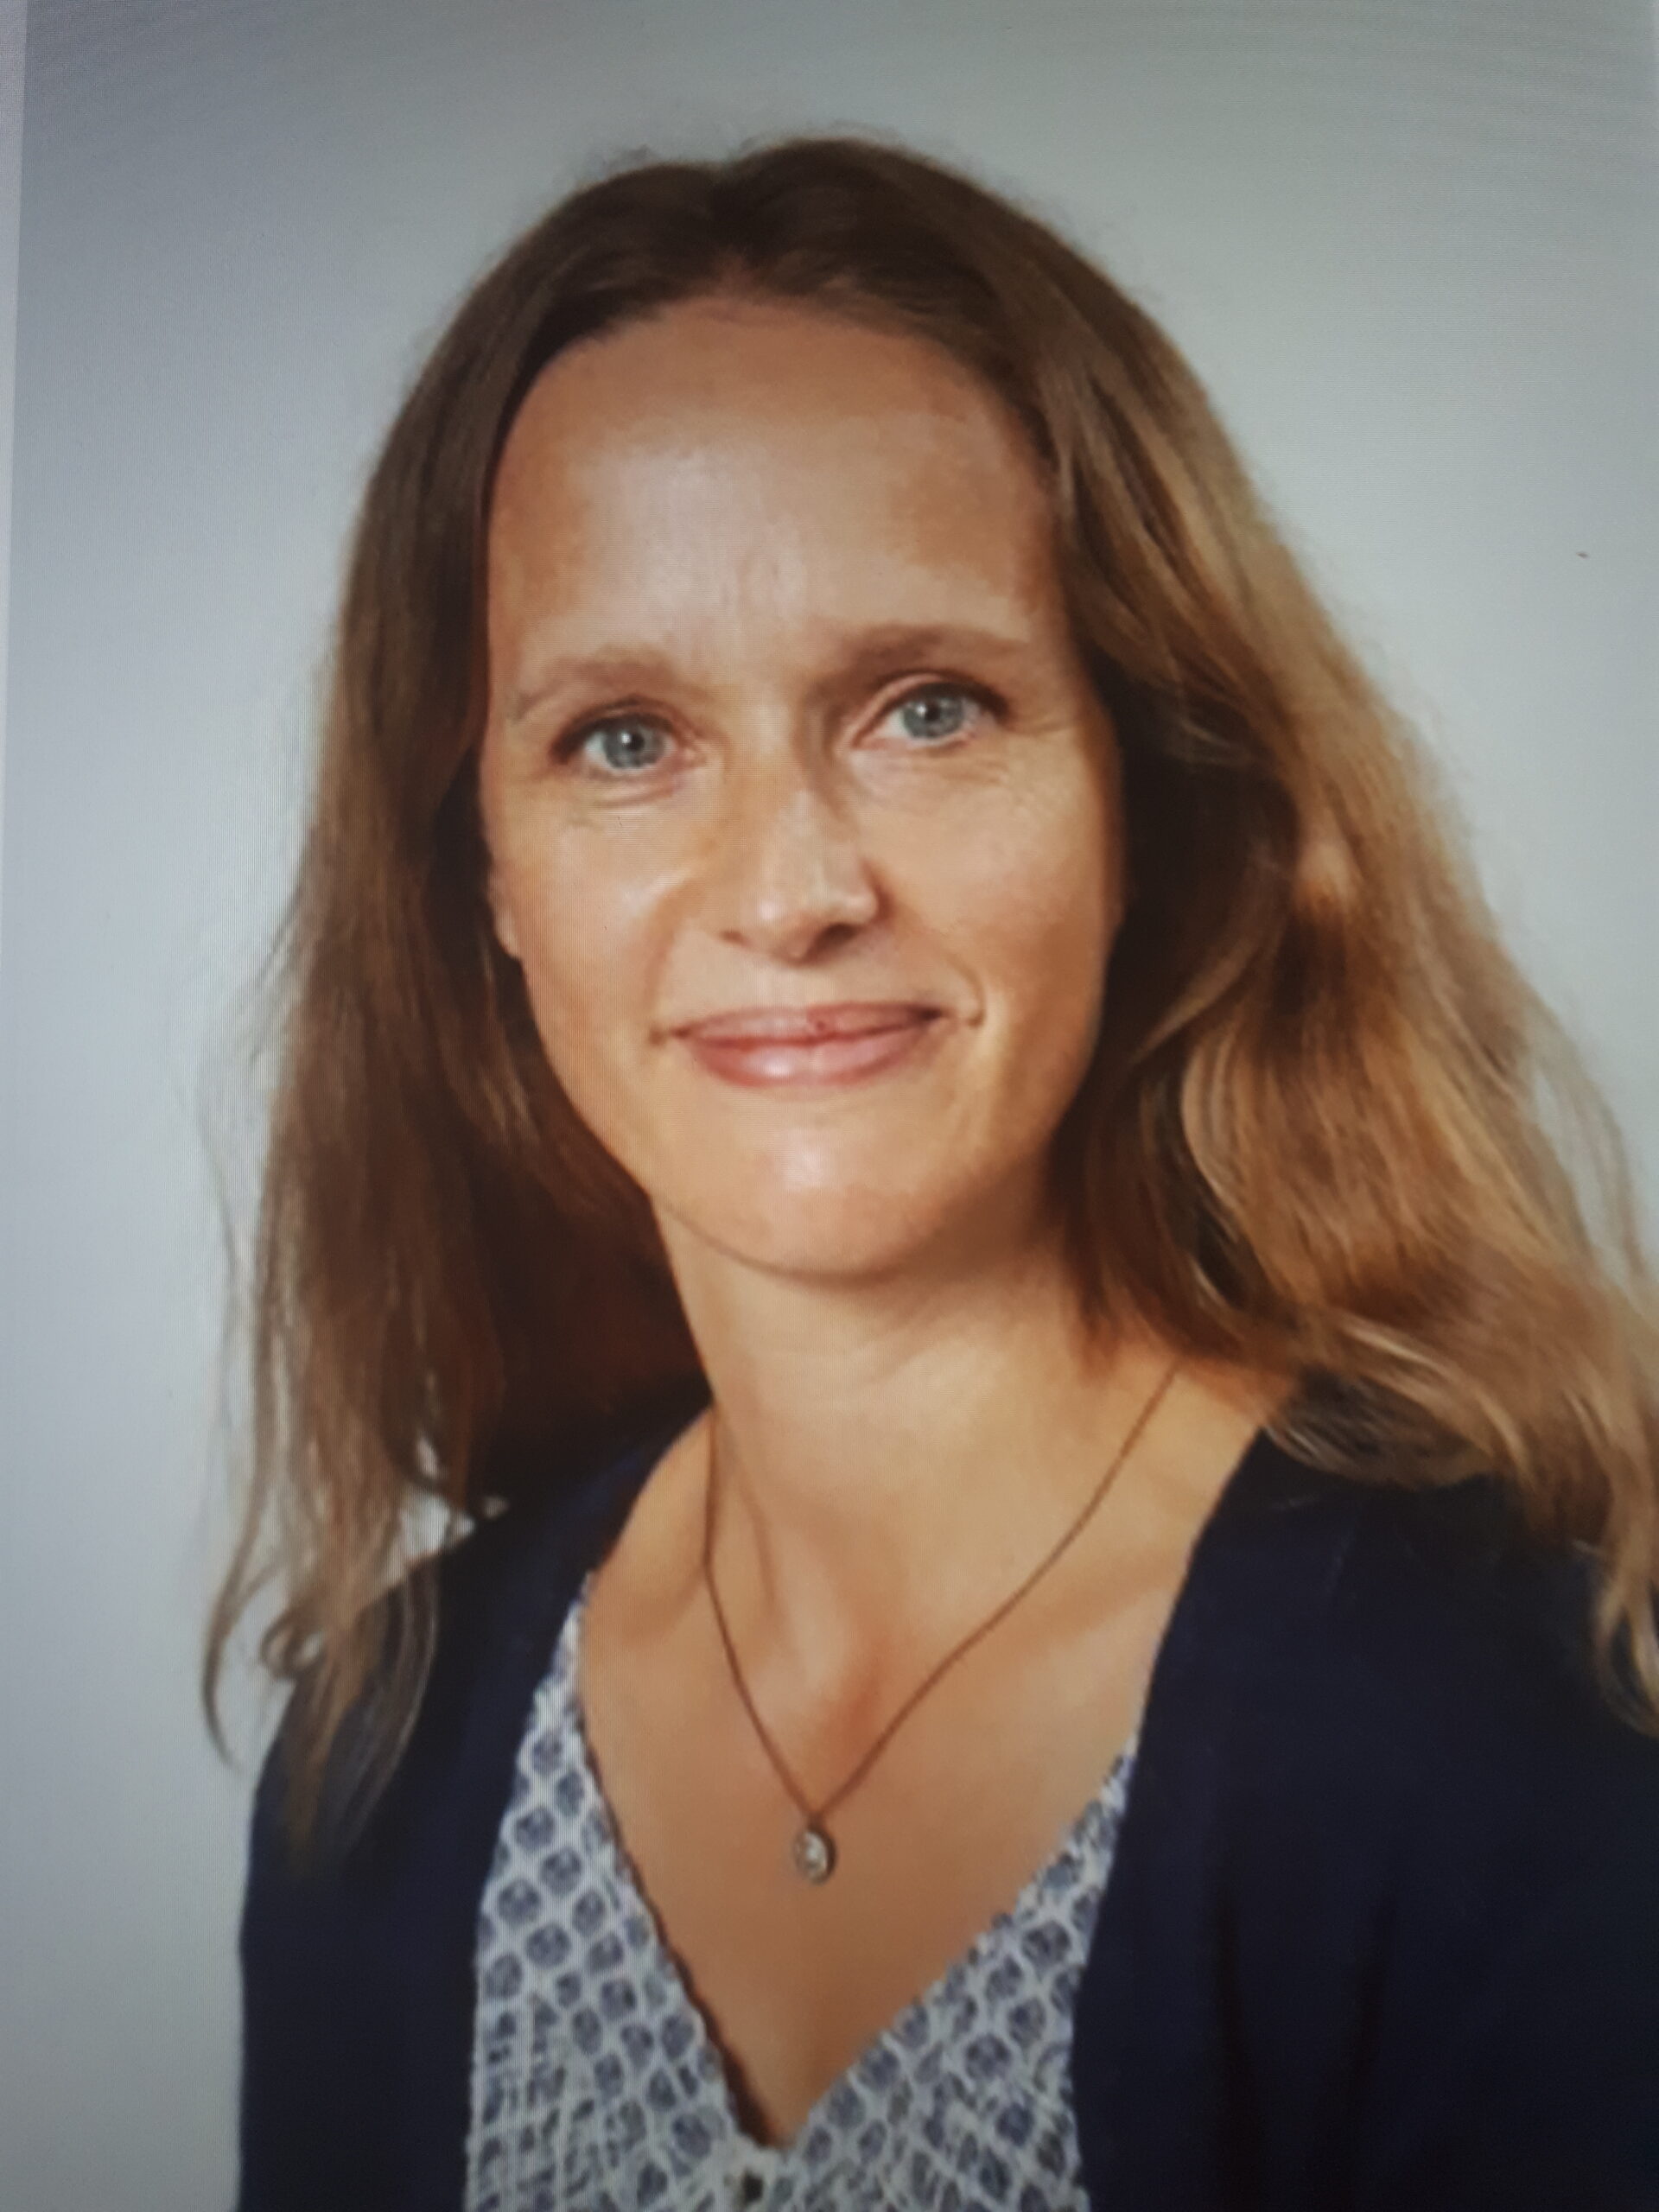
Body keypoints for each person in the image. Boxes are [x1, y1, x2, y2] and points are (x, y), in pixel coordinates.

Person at [211, 134, 1659, 2211]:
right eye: (623, 737)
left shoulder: (1518, 1731)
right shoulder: (384, 1759)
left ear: (1147, 796)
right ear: (486, 876)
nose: (791, 888)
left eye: (928, 707)